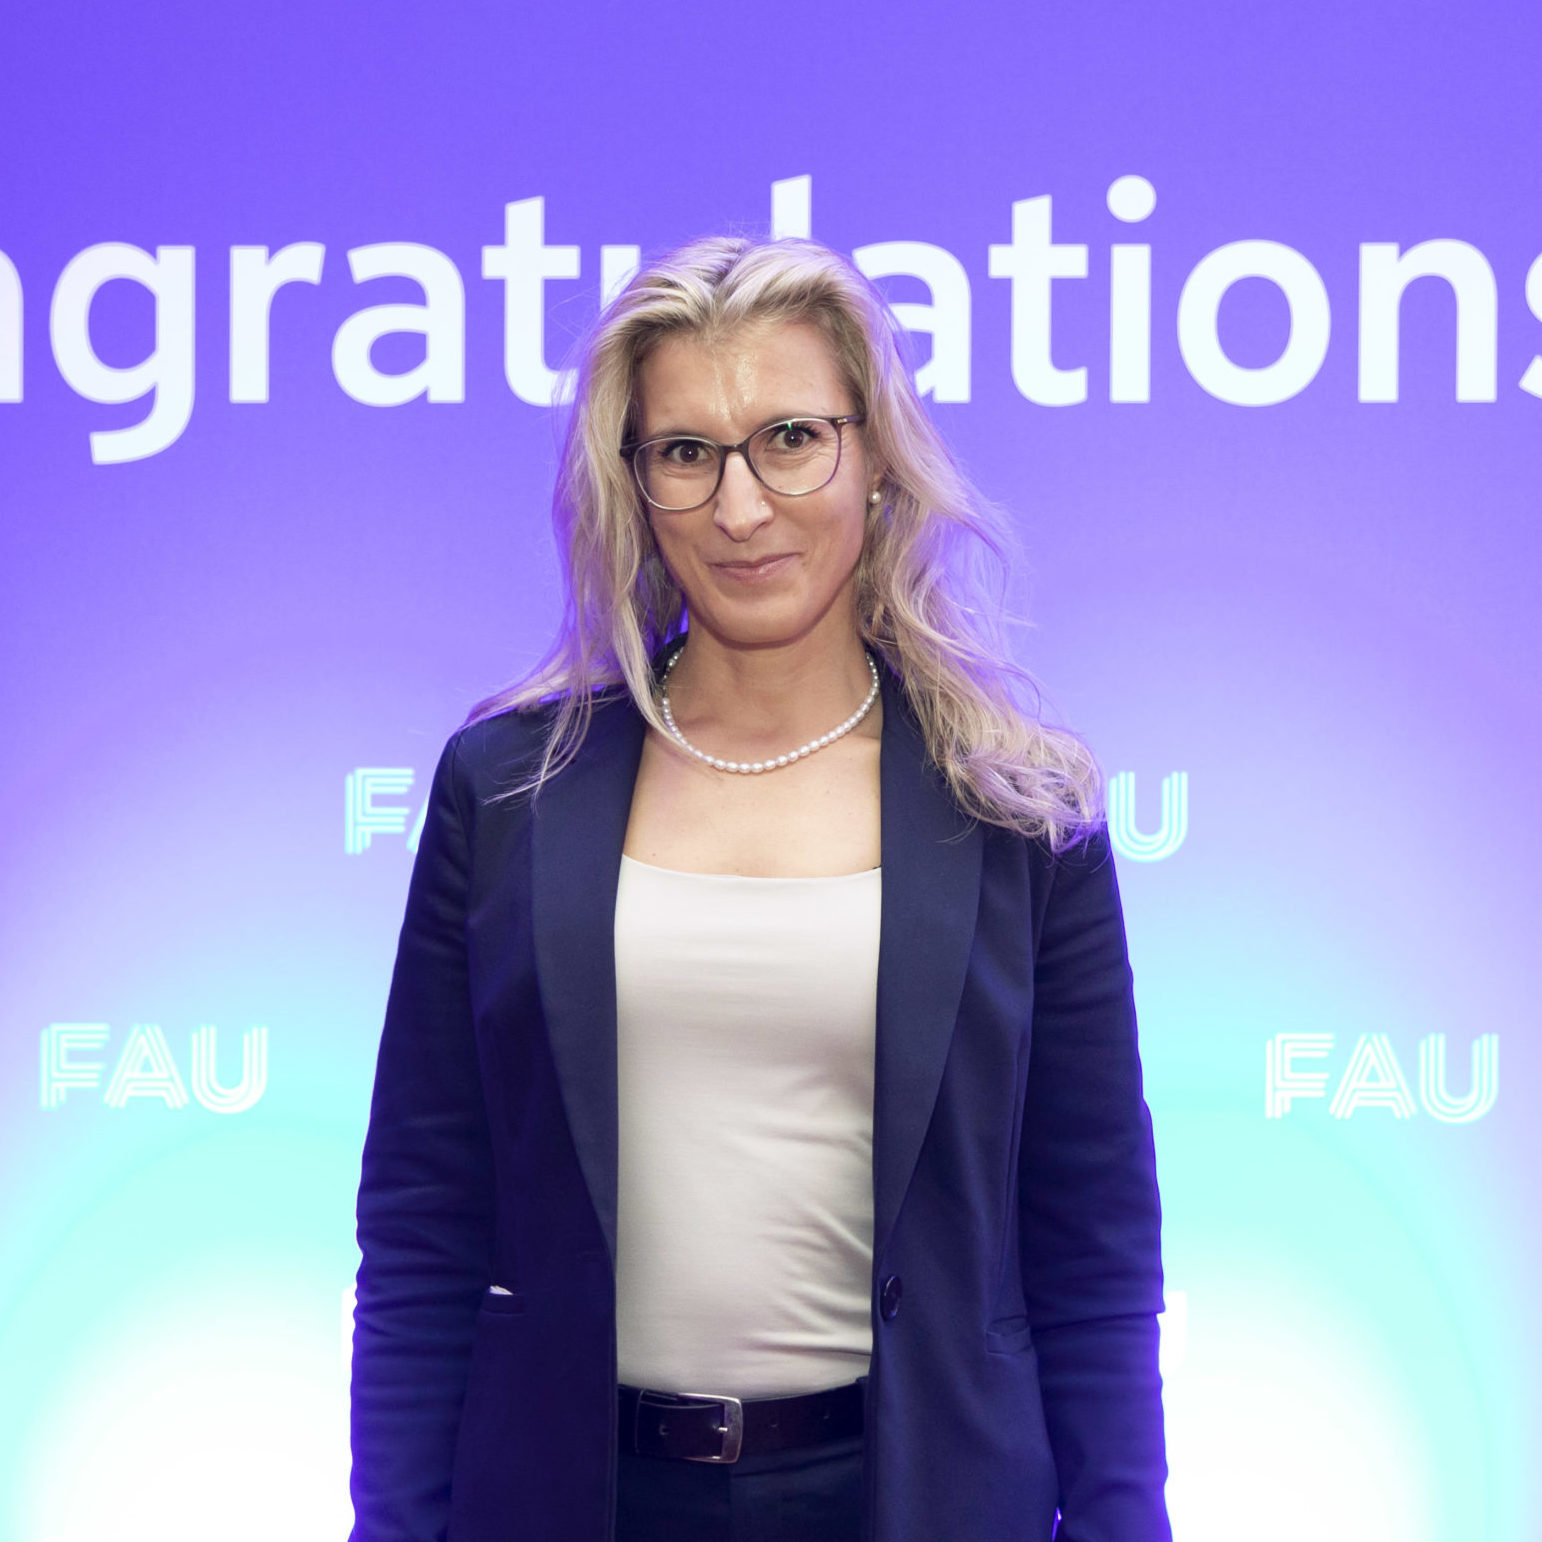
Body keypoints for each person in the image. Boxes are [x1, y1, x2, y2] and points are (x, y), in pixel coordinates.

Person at [348, 234, 1169, 1542]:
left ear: (875, 456)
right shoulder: (504, 791)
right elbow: (423, 1225)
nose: (739, 507)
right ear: (632, 484)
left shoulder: (1018, 808)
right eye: (687, 452)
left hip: (912, 1498)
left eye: (790, 439)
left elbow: (1094, 1252)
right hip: (575, 1499)